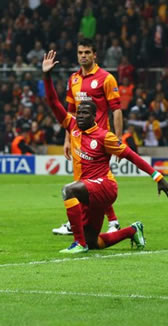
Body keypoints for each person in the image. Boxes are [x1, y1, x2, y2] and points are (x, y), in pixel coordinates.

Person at [43, 50, 168, 253]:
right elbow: (53, 103)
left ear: (95, 116)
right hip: (89, 190)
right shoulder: (73, 127)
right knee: (96, 242)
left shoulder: (104, 137)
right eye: (79, 113)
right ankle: (132, 230)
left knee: (68, 190)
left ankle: (79, 243)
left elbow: (131, 155)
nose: (81, 116)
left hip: (105, 187)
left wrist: (157, 176)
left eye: (86, 113)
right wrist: (47, 75)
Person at [53, 38, 124, 236]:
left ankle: (107, 221)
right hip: (78, 139)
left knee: (95, 182)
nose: (83, 56)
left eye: (87, 52)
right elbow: (70, 112)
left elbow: (116, 110)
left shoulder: (106, 78)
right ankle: (85, 222)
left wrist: (118, 139)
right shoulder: (73, 79)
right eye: (80, 52)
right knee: (83, 182)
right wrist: (67, 139)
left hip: (100, 139)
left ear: (95, 55)